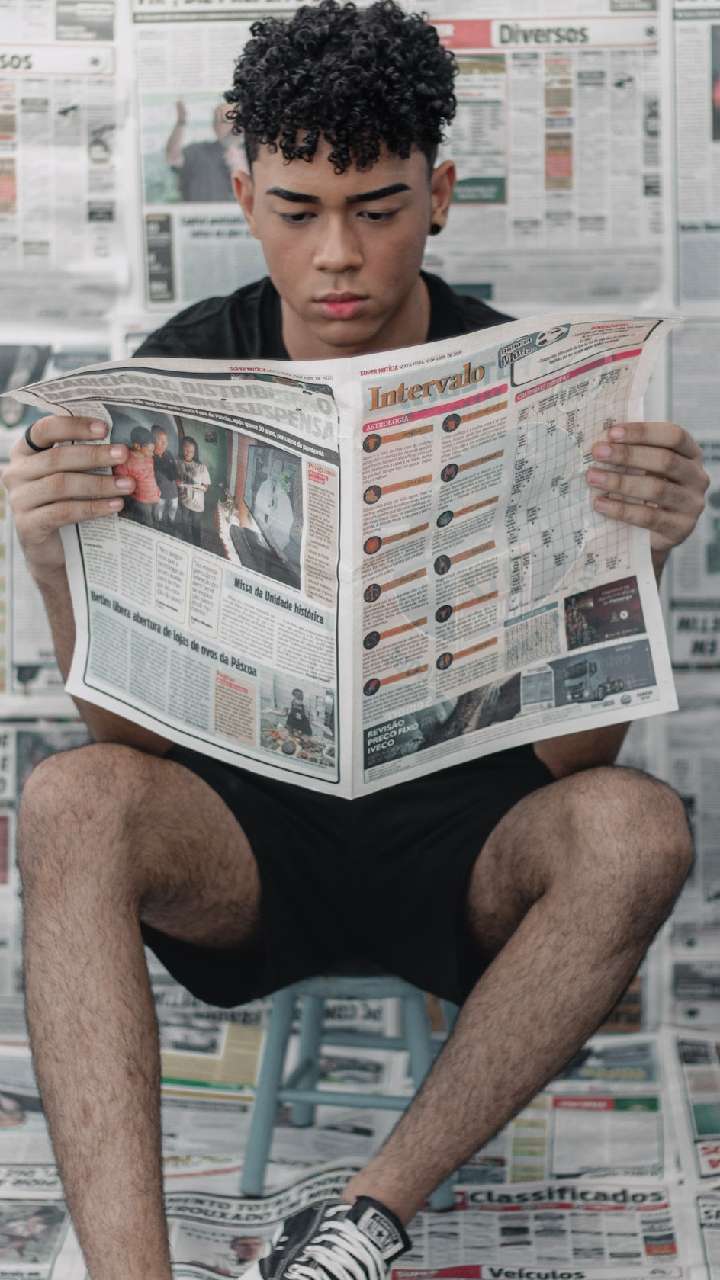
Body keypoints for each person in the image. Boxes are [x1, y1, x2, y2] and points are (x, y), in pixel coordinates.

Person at [0, 4, 709, 1280]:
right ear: (243, 196)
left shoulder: (526, 377)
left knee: (639, 826)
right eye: (297, 209)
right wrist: (54, 562)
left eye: (378, 209)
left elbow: (572, 763)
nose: (337, 255)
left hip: (463, 851)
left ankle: (364, 1220)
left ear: (437, 196)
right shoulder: (182, 372)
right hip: (249, 849)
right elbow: (126, 742)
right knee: (68, 798)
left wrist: (639, 554)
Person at [165, 101, 244, 203]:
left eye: (229, 120)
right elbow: (173, 156)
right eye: (218, 121)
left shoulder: (256, 154)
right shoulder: (197, 152)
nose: (231, 126)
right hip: (202, 212)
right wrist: (181, 123)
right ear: (214, 126)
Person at [113, 425, 160, 526]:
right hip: (142, 501)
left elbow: (151, 476)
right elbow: (119, 480)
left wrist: (156, 490)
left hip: (155, 496)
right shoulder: (127, 462)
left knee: (156, 519)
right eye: (150, 450)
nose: (152, 454)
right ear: (137, 446)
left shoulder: (149, 458)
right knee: (148, 523)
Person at [176, 436, 211, 547]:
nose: (188, 453)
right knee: (184, 524)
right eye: (186, 449)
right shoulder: (178, 463)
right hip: (184, 500)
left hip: (197, 503)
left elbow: (205, 488)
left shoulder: (201, 467)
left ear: (195, 452)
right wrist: (177, 482)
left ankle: (197, 546)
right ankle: (185, 544)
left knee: (196, 526)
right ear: (182, 448)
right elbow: (176, 479)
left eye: (191, 451)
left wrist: (193, 487)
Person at [151, 425, 179, 528]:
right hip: (159, 491)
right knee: (159, 508)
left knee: (174, 506)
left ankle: (171, 521)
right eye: (161, 441)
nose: (164, 443)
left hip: (172, 489)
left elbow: (174, 469)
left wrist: (176, 477)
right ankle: (158, 522)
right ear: (152, 442)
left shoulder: (168, 454)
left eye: (166, 441)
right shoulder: (151, 457)